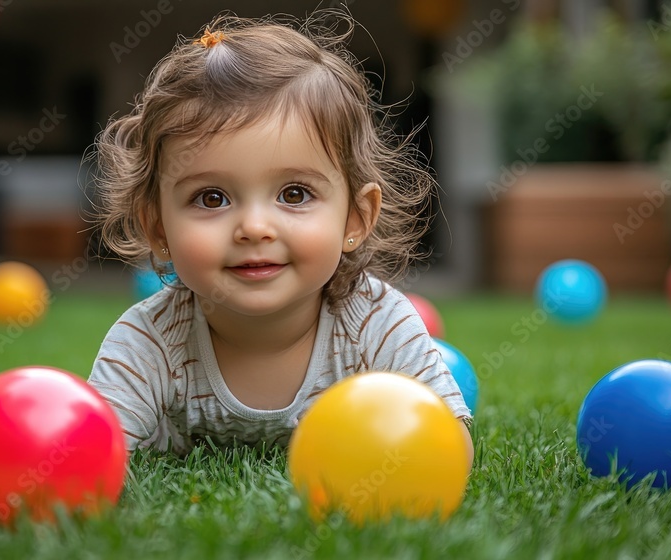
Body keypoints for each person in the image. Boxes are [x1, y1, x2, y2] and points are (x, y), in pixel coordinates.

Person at [88, 11, 473, 464]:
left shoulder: (376, 324)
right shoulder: (148, 343)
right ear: (158, 227)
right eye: (211, 198)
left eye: (294, 193)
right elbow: (92, 459)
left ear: (355, 217)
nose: (254, 227)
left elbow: (447, 447)